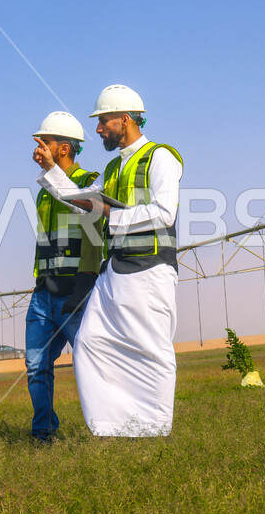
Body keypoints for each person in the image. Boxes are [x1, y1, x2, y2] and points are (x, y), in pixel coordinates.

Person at [36, 84, 182, 437]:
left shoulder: (161, 157)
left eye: (103, 121)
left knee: (153, 350)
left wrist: (110, 218)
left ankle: (156, 429)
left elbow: (164, 212)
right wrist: (54, 170)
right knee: (90, 344)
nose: (99, 129)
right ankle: (115, 427)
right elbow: (81, 200)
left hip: (150, 270)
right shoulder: (114, 167)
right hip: (115, 272)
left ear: (125, 119)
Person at [26, 111, 101, 444]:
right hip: (44, 291)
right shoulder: (44, 189)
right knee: (36, 366)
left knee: (91, 365)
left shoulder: (90, 182)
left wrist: (83, 286)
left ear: (65, 148)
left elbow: (86, 214)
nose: (40, 147)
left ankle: (107, 428)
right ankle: (43, 432)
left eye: (47, 141)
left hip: (75, 292)